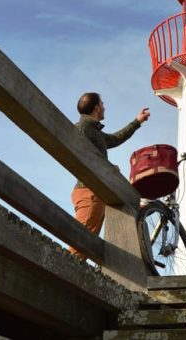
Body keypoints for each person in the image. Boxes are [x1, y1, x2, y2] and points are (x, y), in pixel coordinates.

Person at [70, 92, 150, 258]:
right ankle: (53, 278)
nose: (105, 107)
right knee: (80, 244)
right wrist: (108, 167)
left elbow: (115, 139)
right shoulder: (83, 127)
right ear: (97, 107)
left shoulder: (94, 130)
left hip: (95, 192)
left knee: (87, 244)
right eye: (103, 103)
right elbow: (83, 154)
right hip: (88, 191)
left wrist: (137, 122)